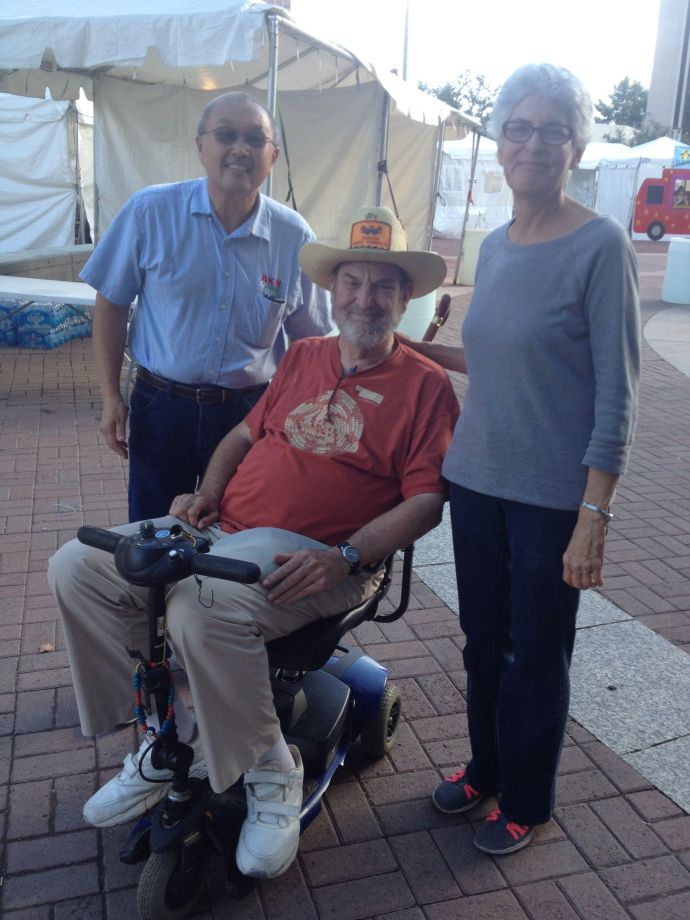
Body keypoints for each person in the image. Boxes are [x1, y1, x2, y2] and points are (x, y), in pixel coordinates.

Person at [48, 206, 457, 879]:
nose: (365, 299)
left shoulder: (427, 386)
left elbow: (428, 499)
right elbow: (242, 436)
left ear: (405, 298)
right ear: (332, 291)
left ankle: (271, 770)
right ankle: (160, 732)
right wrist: (208, 490)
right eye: (352, 282)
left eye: (383, 286)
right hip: (220, 529)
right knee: (79, 568)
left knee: (196, 606)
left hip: (322, 558)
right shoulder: (304, 355)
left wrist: (347, 556)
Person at [408, 64, 641, 856]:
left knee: (538, 651)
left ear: (575, 146)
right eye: (519, 127)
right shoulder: (495, 245)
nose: (533, 143)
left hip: (550, 498)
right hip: (475, 482)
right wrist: (417, 350)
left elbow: (616, 391)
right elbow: (509, 359)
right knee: (483, 641)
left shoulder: (600, 246)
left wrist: (594, 517)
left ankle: (528, 798)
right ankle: (485, 766)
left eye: (551, 130)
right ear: (500, 144)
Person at [81, 91, 333, 522]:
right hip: (161, 407)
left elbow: (311, 341)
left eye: (255, 139)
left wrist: (293, 416)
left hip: (250, 411)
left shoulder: (294, 237)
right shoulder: (151, 212)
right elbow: (111, 302)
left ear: (272, 156)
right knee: (153, 532)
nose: (240, 149)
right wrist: (109, 396)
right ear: (201, 146)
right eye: (226, 135)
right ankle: (155, 593)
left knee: (238, 531)